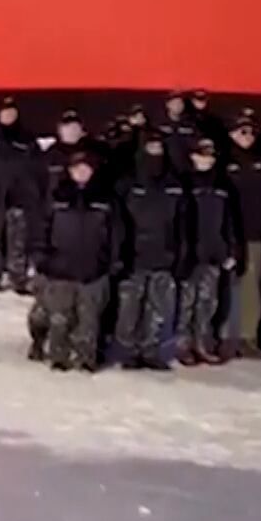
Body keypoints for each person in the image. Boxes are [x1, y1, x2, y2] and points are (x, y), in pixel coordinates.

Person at [34, 152, 120, 372]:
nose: (82, 172)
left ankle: (85, 358)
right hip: (60, 268)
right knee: (60, 317)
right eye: (77, 168)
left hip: (93, 270)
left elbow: (117, 234)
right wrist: (42, 258)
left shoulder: (106, 199)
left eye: (86, 168)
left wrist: (111, 262)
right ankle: (59, 356)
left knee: (89, 319)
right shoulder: (57, 197)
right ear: (70, 171)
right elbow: (40, 229)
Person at [114, 132, 181, 369]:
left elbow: (183, 223)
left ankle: (151, 350)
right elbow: (117, 222)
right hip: (134, 256)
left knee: (158, 308)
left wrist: (180, 254)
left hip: (164, 255)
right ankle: (128, 351)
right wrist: (118, 254)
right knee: (130, 307)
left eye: (159, 148)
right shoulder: (127, 183)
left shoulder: (174, 185)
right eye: (150, 148)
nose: (155, 154)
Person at [177, 139, 239, 365]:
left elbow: (231, 221)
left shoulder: (222, 185)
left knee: (208, 303)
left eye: (210, 156)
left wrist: (231, 249)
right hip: (190, 253)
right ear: (193, 157)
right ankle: (184, 345)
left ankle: (203, 343)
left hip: (215, 251)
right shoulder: (183, 182)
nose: (207, 160)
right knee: (187, 302)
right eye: (202, 155)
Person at [223, 120, 261, 358]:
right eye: (241, 131)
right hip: (226, 236)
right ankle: (218, 337)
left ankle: (249, 337)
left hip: (255, 233)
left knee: (252, 287)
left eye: (251, 131)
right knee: (220, 289)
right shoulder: (223, 161)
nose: (247, 136)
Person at [0, 98, 40, 293]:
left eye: (12, 112)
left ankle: (17, 278)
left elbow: (37, 169)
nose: (8, 116)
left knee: (17, 242)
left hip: (18, 199)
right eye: (4, 112)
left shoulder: (27, 139)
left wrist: (30, 192)